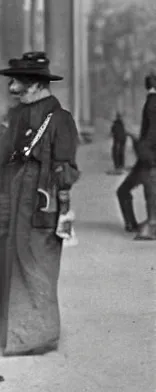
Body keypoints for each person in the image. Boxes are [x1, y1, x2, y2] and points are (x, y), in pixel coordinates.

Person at [0, 51, 80, 356]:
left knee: (38, 265)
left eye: (17, 83)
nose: (11, 89)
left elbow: (65, 168)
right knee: (10, 260)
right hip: (12, 194)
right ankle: (14, 332)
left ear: (35, 84)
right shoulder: (17, 115)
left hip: (41, 201)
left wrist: (63, 208)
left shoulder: (61, 119)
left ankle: (38, 336)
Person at [116, 72, 156, 241]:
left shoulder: (151, 103)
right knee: (152, 192)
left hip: (149, 158)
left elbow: (153, 131)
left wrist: (142, 146)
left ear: (147, 87)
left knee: (127, 191)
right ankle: (149, 224)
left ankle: (145, 226)